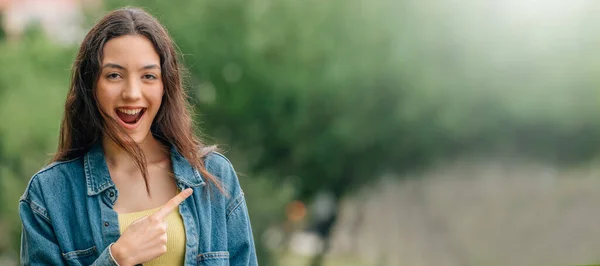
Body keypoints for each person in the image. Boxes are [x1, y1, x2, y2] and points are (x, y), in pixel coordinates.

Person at [18, 7, 257, 266]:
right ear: (91, 86)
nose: (132, 93)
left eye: (148, 76)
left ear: (165, 85)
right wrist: (117, 259)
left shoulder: (214, 177)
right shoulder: (50, 194)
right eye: (114, 75)